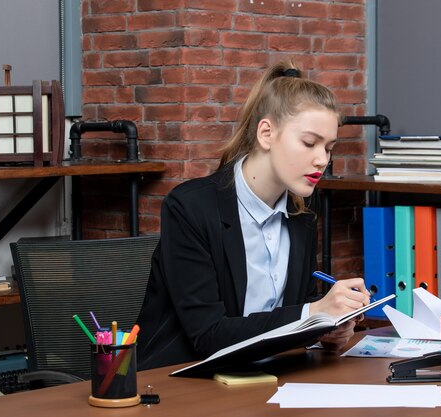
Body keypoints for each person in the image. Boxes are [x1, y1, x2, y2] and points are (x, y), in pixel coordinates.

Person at [136, 61, 371, 370]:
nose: (321, 160)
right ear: (266, 133)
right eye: (309, 143)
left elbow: (282, 322)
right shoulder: (190, 208)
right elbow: (208, 335)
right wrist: (312, 312)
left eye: (329, 148)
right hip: (179, 384)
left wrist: (325, 329)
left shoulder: (302, 218)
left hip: (266, 378)